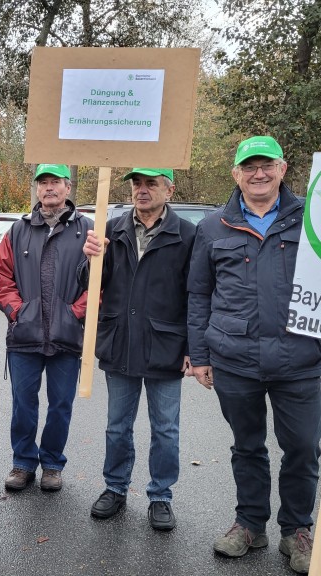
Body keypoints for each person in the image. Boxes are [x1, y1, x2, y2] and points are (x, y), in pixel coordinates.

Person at [188, 136, 321, 574]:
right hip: (235, 358)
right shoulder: (212, 227)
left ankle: (297, 529)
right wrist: (200, 354)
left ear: (283, 169)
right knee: (247, 446)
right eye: (249, 167)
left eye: (267, 165)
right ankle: (250, 524)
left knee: (302, 447)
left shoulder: (312, 219)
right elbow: (198, 295)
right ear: (236, 175)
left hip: (301, 359)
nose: (258, 174)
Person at [80, 168, 194, 529]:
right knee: (117, 426)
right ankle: (115, 487)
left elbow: (196, 294)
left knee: (165, 430)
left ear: (169, 189)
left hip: (166, 346)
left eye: (151, 183)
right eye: (136, 184)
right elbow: (90, 285)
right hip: (120, 342)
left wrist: (195, 347)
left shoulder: (187, 234)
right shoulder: (110, 229)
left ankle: (160, 496)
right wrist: (90, 259)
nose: (142, 190)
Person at [0, 164, 91, 492]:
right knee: (24, 402)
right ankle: (22, 462)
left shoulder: (87, 231)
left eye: (56, 182)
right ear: (36, 189)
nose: (49, 188)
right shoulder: (18, 231)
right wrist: (18, 311)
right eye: (43, 182)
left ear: (68, 187)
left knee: (61, 404)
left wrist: (76, 314)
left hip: (67, 335)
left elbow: (103, 282)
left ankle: (51, 463)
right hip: (25, 335)